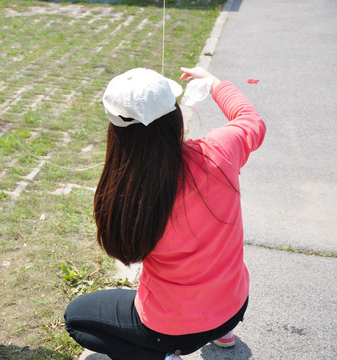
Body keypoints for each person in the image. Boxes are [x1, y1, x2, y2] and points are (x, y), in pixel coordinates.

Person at [64, 66, 266, 360]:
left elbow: (126, 252)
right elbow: (251, 120)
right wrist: (213, 83)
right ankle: (224, 334)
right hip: (233, 307)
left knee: (76, 318)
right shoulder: (221, 150)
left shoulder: (128, 196)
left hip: (172, 330)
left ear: (115, 132)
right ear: (175, 114)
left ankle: (165, 356)